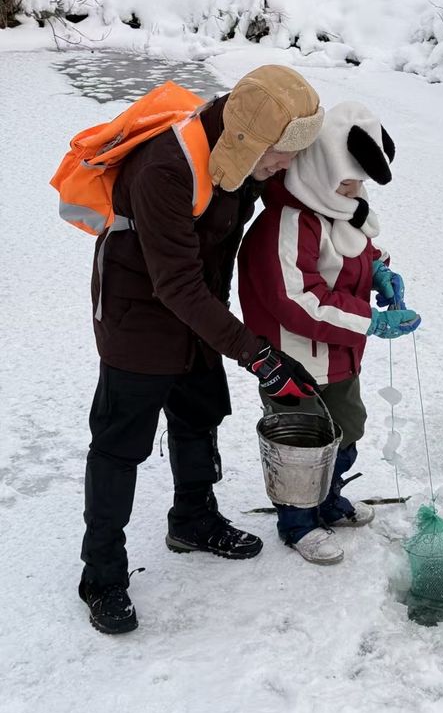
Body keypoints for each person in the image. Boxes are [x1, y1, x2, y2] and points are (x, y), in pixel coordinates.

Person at [78, 65, 325, 634]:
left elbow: (301, 202)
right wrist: (259, 356)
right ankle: (102, 575)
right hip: (138, 318)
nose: (286, 167)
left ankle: (192, 519)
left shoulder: (242, 157)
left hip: (199, 314)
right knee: (119, 446)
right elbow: (176, 285)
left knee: (199, 415)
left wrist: (362, 234)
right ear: (247, 141)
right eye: (282, 154)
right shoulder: (165, 168)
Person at [238, 101, 421, 565]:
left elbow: (357, 251)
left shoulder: (338, 210)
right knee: (301, 446)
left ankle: (327, 499)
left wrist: (380, 273)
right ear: (318, 167)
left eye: (359, 181)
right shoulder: (285, 224)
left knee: (347, 431)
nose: (355, 189)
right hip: (293, 362)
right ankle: (297, 522)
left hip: (340, 356)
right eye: (347, 179)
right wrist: (370, 321)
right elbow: (297, 300)